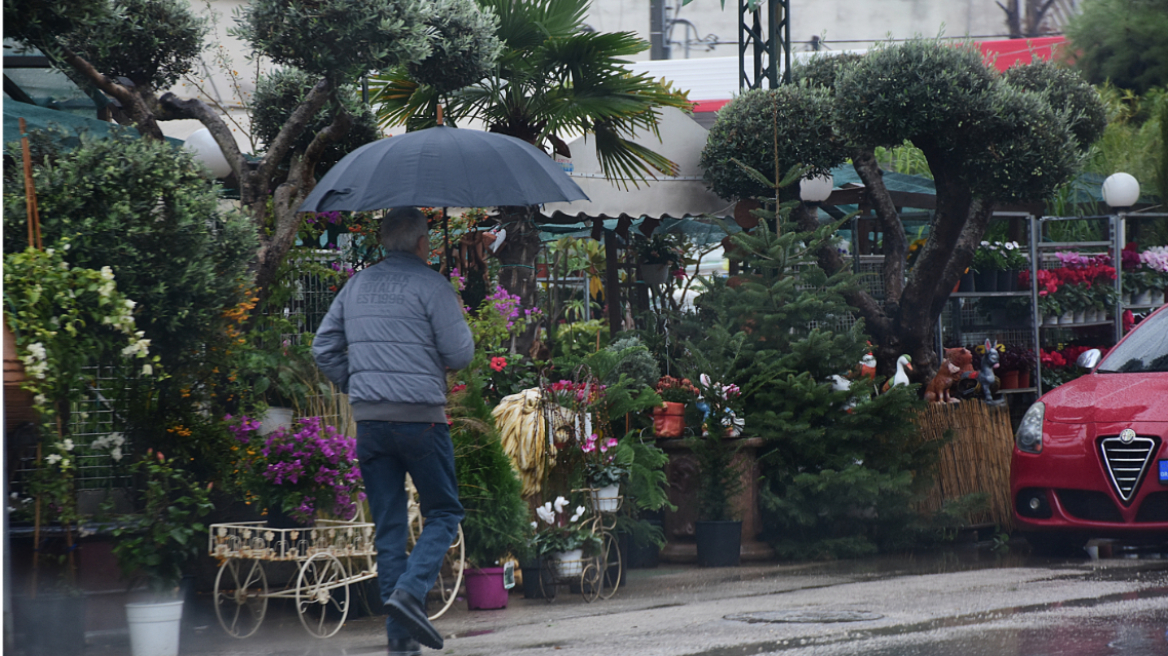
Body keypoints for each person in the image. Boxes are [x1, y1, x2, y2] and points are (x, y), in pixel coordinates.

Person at [313, 207, 473, 656]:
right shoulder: (432, 285)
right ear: (424, 243)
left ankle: (400, 644)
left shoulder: (355, 285)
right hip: (420, 419)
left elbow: (322, 347)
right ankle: (411, 590)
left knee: (388, 528)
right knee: (443, 512)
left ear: (385, 242)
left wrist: (357, 383)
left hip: (370, 423)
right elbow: (460, 354)